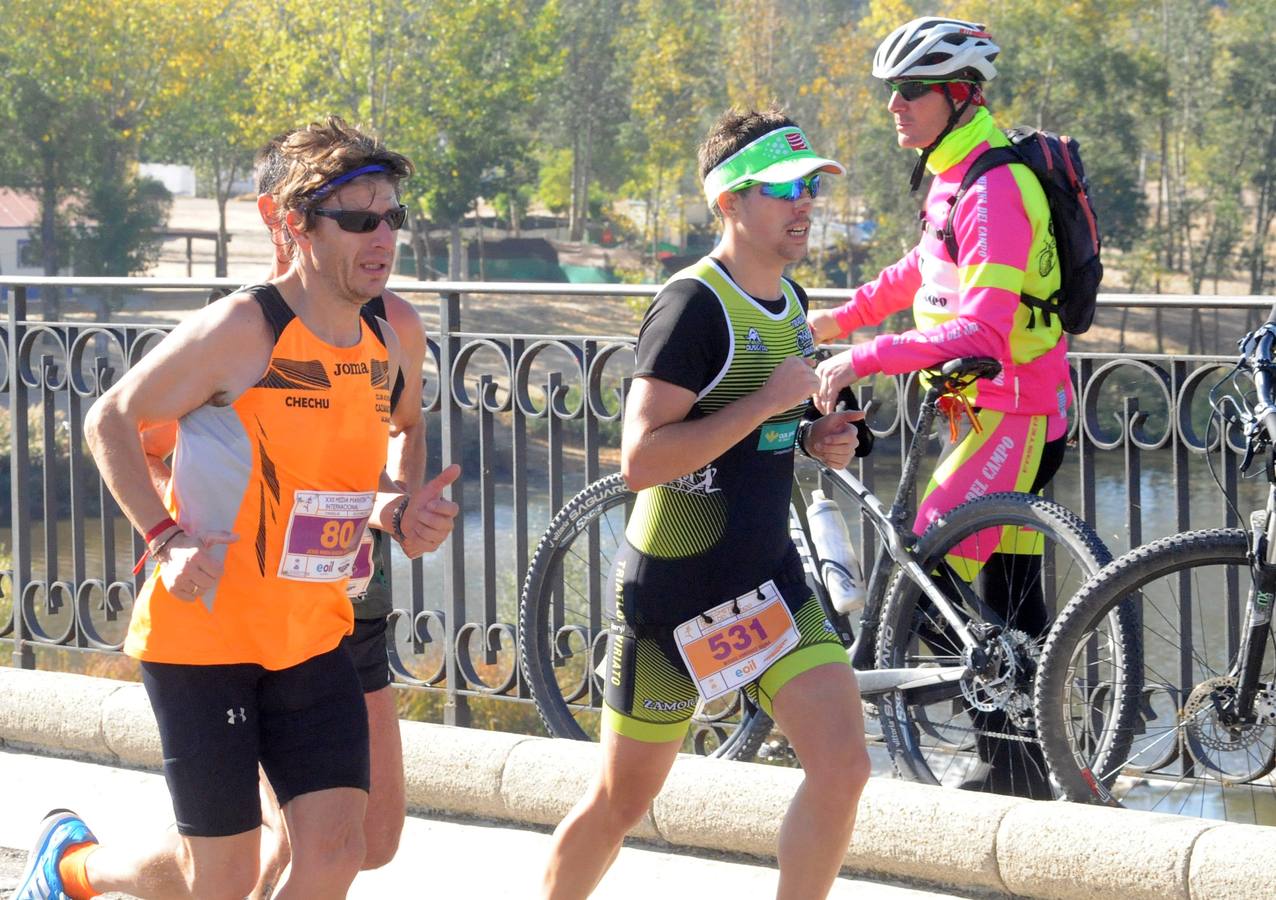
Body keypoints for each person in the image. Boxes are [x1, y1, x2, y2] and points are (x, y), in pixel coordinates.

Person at [15, 117, 460, 900]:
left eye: (392, 216)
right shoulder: (244, 330)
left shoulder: (392, 333)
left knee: (337, 850)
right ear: (296, 225)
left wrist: (398, 508)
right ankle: (71, 866)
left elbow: (406, 428)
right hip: (206, 643)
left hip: (315, 632)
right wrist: (167, 535)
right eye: (359, 218)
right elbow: (111, 421)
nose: (382, 235)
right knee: (219, 879)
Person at [541, 108, 870, 900]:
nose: (804, 205)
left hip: (770, 583)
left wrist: (815, 438)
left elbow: (759, 438)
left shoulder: (791, 303)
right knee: (622, 801)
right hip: (679, 595)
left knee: (845, 767)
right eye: (784, 188)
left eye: (811, 188)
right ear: (728, 202)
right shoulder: (692, 306)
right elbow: (643, 460)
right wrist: (768, 407)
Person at [808, 16, 1072, 798]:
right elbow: (914, 277)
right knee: (1009, 598)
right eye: (892, 90)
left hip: (1014, 408)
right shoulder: (953, 176)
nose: (896, 104)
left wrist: (862, 357)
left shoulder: (996, 187)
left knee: (922, 577)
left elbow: (986, 326)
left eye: (913, 91)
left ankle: (1010, 737)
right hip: (981, 408)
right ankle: (1017, 764)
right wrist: (826, 321)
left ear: (961, 95)